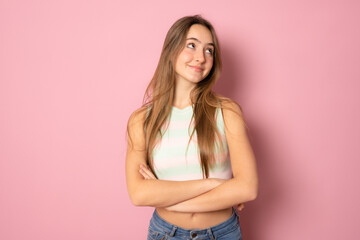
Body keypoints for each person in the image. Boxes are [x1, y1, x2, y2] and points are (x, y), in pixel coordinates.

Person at [125, 15, 258, 240]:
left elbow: (247, 188)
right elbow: (139, 194)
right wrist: (214, 184)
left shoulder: (227, 112)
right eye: (192, 45)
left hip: (223, 233)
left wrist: (164, 195)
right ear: (171, 50)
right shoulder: (141, 120)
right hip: (166, 234)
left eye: (209, 50)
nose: (201, 57)